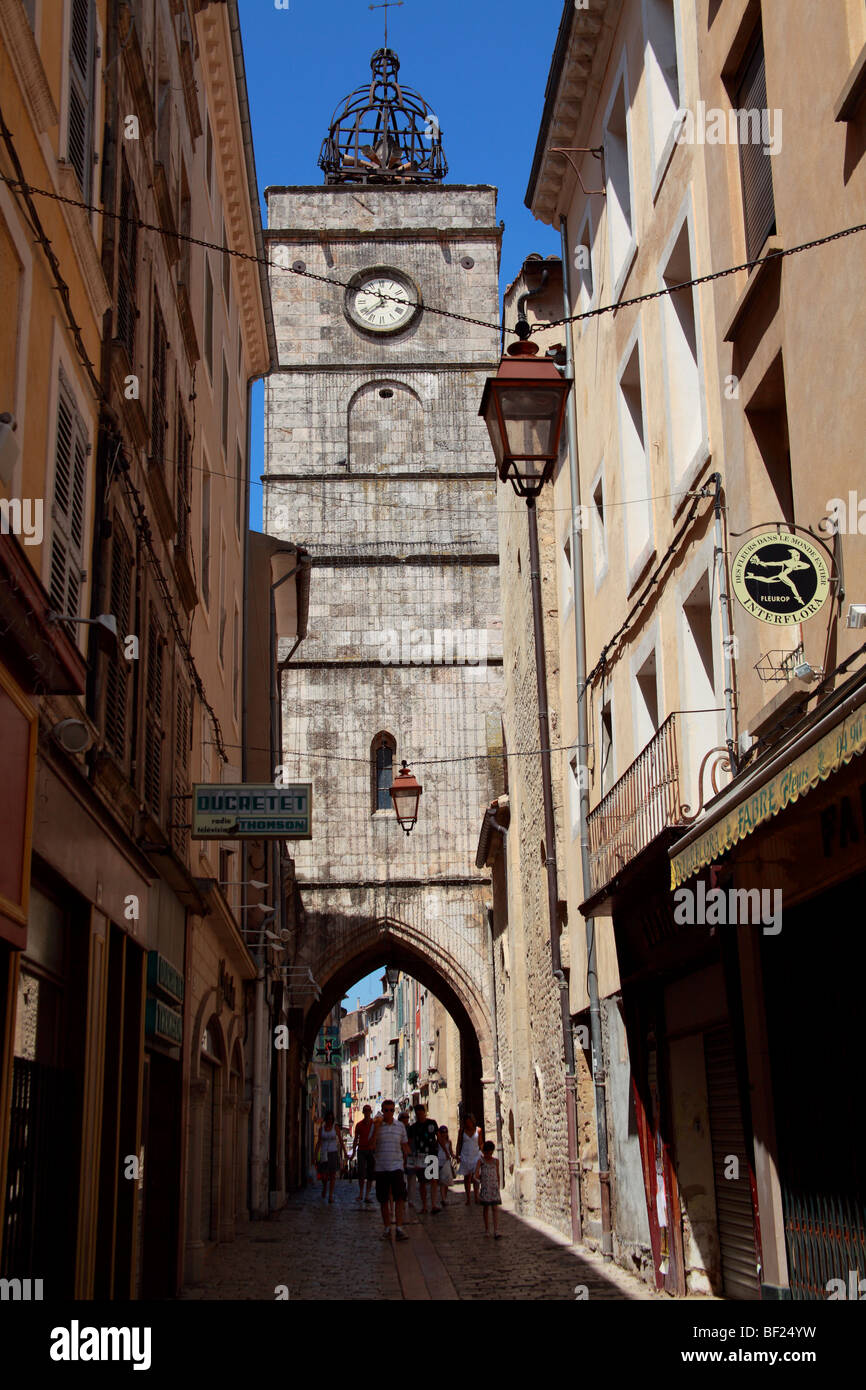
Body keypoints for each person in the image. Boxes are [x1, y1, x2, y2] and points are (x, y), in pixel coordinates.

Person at [372, 1099, 410, 1240]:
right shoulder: (376, 1126)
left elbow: (405, 1145)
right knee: (383, 1200)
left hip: (396, 1167)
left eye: (391, 1110)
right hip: (381, 1167)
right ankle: (387, 1227)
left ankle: (399, 1227)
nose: (389, 1113)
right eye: (386, 1110)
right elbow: (371, 1145)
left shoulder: (400, 1127)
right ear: (382, 1111)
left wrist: (409, 1156)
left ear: (394, 1111)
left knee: (400, 1198)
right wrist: (375, 1129)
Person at [408, 1104, 441, 1214]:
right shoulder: (413, 1128)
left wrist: (445, 1151)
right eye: (417, 1114)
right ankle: (424, 1206)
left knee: (433, 1180)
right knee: (422, 1182)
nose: (419, 1116)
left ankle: (433, 1204)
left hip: (432, 1154)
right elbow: (410, 1142)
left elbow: (438, 1137)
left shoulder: (432, 1123)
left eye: (421, 1113)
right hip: (420, 1156)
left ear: (424, 1113)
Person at [315, 1111, 345, 1203]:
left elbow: (340, 1140)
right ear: (326, 1119)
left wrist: (345, 1152)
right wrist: (315, 1154)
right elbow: (319, 1142)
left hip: (333, 1153)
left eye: (331, 1119)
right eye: (328, 1119)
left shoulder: (335, 1128)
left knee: (332, 1175)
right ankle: (324, 1187)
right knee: (324, 1175)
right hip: (324, 1153)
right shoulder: (321, 1129)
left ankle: (330, 1195)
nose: (329, 1120)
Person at [475, 1140, 502, 1237]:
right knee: (486, 1208)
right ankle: (487, 1229)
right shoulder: (481, 1161)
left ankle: (496, 1230)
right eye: (487, 1152)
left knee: (495, 1208)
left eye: (490, 1152)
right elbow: (476, 1174)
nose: (488, 1154)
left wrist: (498, 1186)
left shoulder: (496, 1161)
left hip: (493, 1188)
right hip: (486, 1188)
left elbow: (498, 1174)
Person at [352, 1104, 377, 1204]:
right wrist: (353, 1151)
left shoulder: (374, 1125)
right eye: (365, 1111)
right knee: (361, 1172)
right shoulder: (359, 1125)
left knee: (370, 1173)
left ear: (370, 1112)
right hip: (361, 1150)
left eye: (368, 1111)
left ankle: (367, 1194)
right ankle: (361, 1193)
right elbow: (355, 1139)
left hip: (371, 1150)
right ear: (363, 1112)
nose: (367, 1113)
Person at [456, 1112, 483, 1205]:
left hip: (475, 1155)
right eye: (466, 1122)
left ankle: (476, 1196)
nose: (468, 1123)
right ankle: (468, 1198)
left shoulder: (478, 1130)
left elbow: (480, 1143)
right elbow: (459, 1143)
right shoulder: (462, 1131)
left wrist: (483, 1154)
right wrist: (457, 1155)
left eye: (469, 1121)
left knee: (476, 1177)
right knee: (467, 1178)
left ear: (472, 1121)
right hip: (465, 1155)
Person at [437, 1125, 455, 1207]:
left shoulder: (449, 1142)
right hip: (439, 1161)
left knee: (446, 1181)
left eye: (445, 1132)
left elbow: (451, 1151)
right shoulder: (438, 1141)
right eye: (443, 1132)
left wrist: (455, 1156)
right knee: (442, 1181)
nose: (444, 1134)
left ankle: (444, 1197)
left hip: (447, 1161)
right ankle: (443, 1198)